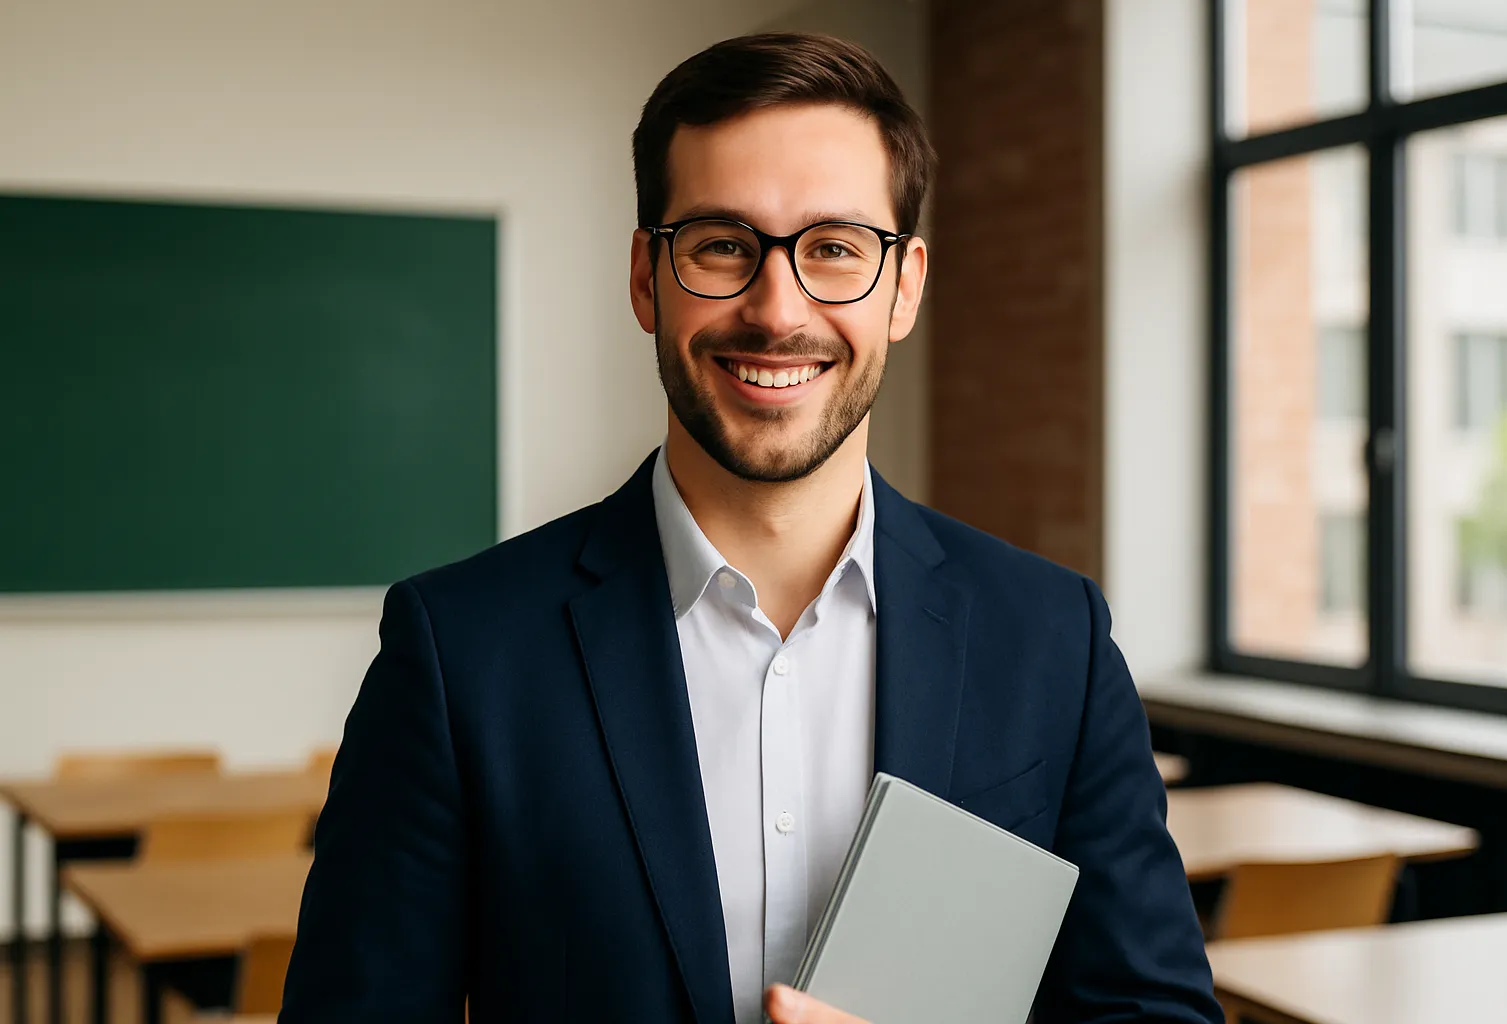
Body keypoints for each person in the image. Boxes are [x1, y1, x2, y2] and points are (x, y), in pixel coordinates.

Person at [280, 32, 1222, 1024]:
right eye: (724, 245)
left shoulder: (1051, 640)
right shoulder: (458, 651)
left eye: (834, 249)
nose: (778, 310)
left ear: (904, 286)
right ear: (648, 277)